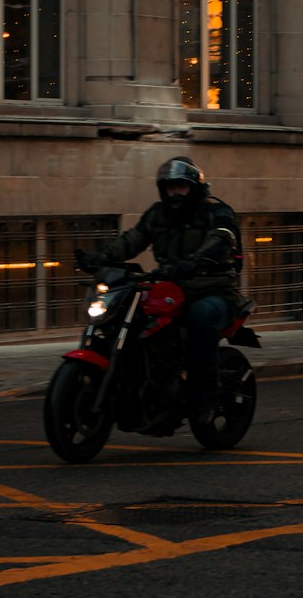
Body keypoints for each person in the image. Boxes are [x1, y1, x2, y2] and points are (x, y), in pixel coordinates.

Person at [75, 157, 242, 424]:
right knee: (131, 313)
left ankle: (205, 399)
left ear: (194, 187)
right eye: (169, 187)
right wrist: (101, 257)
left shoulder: (216, 211)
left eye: (181, 187)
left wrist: (198, 260)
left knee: (199, 317)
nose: (174, 193)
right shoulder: (158, 213)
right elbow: (134, 238)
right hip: (171, 285)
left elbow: (223, 237)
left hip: (213, 289)